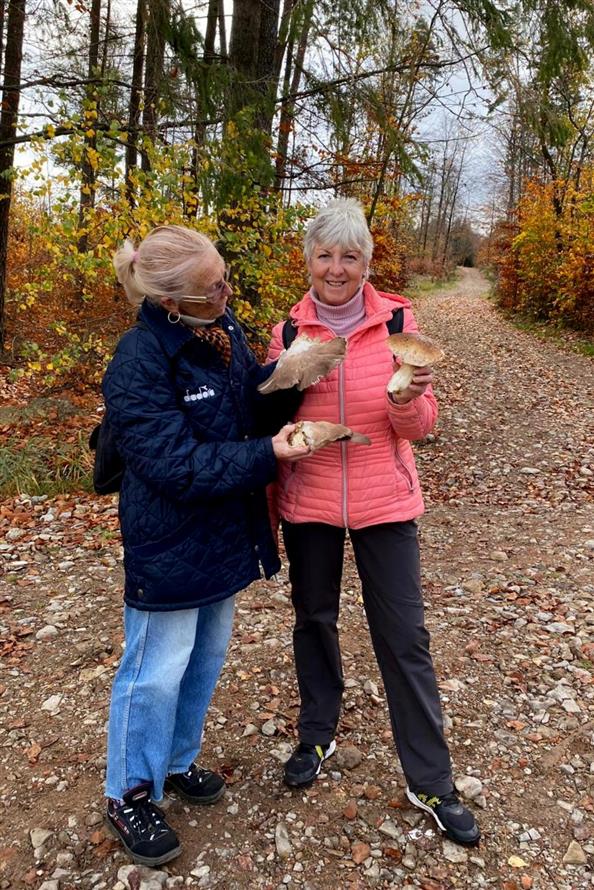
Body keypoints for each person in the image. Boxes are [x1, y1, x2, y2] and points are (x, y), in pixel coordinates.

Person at [267, 199, 480, 846]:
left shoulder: (397, 322)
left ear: (367, 261)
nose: (336, 268)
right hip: (310, 502)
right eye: (325, 255)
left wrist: (412, 402)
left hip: (385, 499)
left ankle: (431, 779)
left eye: (350, 256)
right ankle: (317, 734)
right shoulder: (284, 332)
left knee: (404, 635)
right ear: (309, 260)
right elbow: (265, 421)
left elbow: (420, 426)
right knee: (314, 620)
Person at [103, 224, 310, 867]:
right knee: (155, 670)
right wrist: (267, 455)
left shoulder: (220, 327)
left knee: (204, 658)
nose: (227, 290)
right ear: (171, 302)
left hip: (223, 535)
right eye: (211, 286)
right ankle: (130, 792)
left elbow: (245, 405)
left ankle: (175, 762)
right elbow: (175, 466)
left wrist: (290, 376)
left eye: (223, 276)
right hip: (168, 542)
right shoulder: (138, 359)